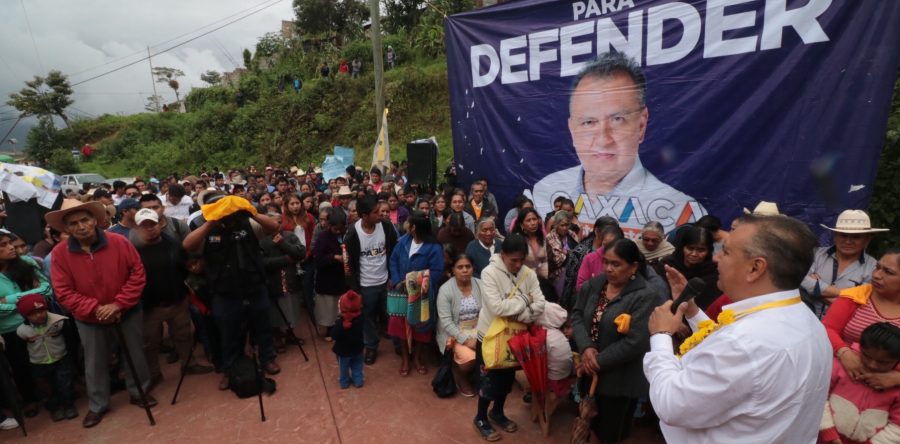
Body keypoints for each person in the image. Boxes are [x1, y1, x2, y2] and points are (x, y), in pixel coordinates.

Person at [644, 214, 830, 443]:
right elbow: (733, 356)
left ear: (755, 268)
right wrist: (692, 311)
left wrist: (661, 335)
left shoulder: (744, 343)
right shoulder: (807, 321)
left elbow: (671, 404)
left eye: (727, 251)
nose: (716, 258)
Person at [525, 52, 704, 234]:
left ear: (641, 125)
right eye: (588, 122)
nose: (603, 139)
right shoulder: (545, 191)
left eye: (618, 119)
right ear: (572, 130)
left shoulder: (682, 213)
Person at [47, 199, 154, 428]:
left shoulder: (119, 242)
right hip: (89, 318)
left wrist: (118, 304)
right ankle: (98, 404)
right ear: (66, 229)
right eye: (73, 223)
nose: (81, 226)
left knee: (135, 353)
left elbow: (137, 274)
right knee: (94, 362)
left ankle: (139, 392)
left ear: (95, 220)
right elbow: (63, 291)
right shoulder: (60, 253)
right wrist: (95, 309)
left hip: (127, 311)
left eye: (85, 219)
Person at [182, 194, 283, 391]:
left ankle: (268, 358)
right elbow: (187, 245)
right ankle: (230, 369)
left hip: (253, 285)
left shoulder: (247, 223)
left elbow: (273, 227)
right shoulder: (205, 227)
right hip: (224, 291)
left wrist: (251, 212)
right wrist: (212, 221)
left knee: (262, 325)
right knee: (229, 333)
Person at [570, 238, 665, 442]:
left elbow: (636, 341)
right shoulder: (594, 285)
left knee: (611, 430)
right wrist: (586, 348)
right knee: (589, 418)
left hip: (620, 378)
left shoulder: (646, 296)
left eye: (616, 264)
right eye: (606, 262)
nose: (608, 269)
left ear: (633, 267)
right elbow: (577, 315)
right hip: (591, 372)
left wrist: (597, 361)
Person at [473, 234, 546, 441]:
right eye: (514, 260)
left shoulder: (528, 274)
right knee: (489, 380)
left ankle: (497, 412)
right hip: (490, 336)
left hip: (515, 336)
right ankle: (480, 417)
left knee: (506, 379)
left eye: (522, 259)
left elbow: (540, 303)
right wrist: (524, 299)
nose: (518, 264)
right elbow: (496, 308)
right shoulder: (489, 273)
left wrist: (515, 311)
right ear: (502, 254)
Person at [132, 209, 212, 388]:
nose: (150, 229)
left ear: (160, 224)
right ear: (137, 228)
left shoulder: (173, 244)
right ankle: (154, 373)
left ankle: (189, 364)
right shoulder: (131, 249)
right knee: (150, 343)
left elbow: (185, 264)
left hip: (177, 300)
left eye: (153, 224)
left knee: (184, 335)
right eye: (145, 226)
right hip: (150, 306)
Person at [822, 248, 900, 391]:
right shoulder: (857, 296)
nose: (877, 275)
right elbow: (827, 328)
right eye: (877, 267)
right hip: (840, 379)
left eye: (888, 272)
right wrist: (844, 353)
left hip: (890, 397)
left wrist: (896, 378)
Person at [0, 230, 53, 419]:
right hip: (9, 330)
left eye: (9, 243)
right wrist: (30, 299)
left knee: (49, 358)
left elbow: (46, 290)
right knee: (20, 366)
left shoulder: (27, 263)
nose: (11, 247)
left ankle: (57, 394)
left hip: (38, 321)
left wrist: (10, 300)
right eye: (3, 245)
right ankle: (30, 399)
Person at [820, 322, 900, 444]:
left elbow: (897, 426)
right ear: (861, 348)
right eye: (866, 356)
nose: (872, 364)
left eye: (883, 362)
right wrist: (828, 432)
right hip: (822, 437)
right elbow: (818, 399)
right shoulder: (839, 367)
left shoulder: (895, 387)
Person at [802, 209, 887, 318]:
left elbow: (861, 307)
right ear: (835, 236)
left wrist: (817, 290)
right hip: (807, 322)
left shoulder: (874, 268)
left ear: (867, 239)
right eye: (843, 235)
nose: (848, 241)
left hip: (842, 331)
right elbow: (800, 280)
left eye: (856, 237)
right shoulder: (816, 254)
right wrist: (850, 294)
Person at [344, 196, 398, 365]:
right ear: (364, 216)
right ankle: (371, 347)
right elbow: (349, 264)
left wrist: (392, 276)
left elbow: (394, 252)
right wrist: (355, 289)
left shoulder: (387, 227)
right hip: (365, 285)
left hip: (385, 282)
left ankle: (398, 344)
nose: (379, 215)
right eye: (375, 212)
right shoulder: (352, 233)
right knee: (367, 318)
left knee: (392, 314)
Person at [388, 211, 443, 376]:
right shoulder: (403, 241)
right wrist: (398, 281)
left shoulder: (434, 247)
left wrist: (413, 282)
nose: (407, 226)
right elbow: (393, 261)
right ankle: (405, 358)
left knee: (421, 327)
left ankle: (418, 357)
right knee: (401, 326)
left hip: (421, 295)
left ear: (415, 228)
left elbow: (437, 271)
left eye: (410, 224)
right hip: (401, 292)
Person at [15, 293, 77, 422]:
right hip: (38, 363)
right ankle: (55, 409)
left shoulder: (58, 322)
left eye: (41, 311)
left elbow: (70, 339)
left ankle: (69, 405)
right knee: (46, 389)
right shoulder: (22, 331)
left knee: (65, 383)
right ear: (25, 316)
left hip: (61, 358)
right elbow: (21, 352)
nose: (39, 315)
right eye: (33, 313)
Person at [437, 253, 483, 397]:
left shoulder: (480, 284)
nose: (464, 270)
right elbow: (446, 322)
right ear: (453, 270)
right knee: (470, 359)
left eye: (468, 267)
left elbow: (488, 311)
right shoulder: (445, 290)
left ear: (472, 268)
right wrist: (466, 340)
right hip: (454, 333)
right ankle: (460, 375)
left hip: (479, 329)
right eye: (460, 267)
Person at [258, 211, 305, 352]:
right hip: (273, 282)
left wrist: (283, 244)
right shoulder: (262, 242)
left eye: (278, 222)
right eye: (271, 222)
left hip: (290, 279)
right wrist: (284, 260)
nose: (275, 225)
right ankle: (278, 337)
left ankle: (290, 334)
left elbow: (300, 253)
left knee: (292, 308)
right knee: (274, 312)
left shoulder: (289, 236)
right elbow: (261, 262)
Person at [652, 225, 722, 310]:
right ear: (682, 247)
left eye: (701, 250)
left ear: (709, 251)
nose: (694, 254)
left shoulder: (714, 273)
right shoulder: (667, 265)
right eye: (690, 248)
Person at [561, 217, 619, 309]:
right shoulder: (580, 252)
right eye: (607, 230)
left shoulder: (619, 255)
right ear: (597, 231)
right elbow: (570, 282)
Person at [313, 211, 349, 340]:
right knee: (330, 307)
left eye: (341, 229)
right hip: (328, 278)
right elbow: (317, 257)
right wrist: (334, 257)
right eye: (335, 229)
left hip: (343, 278)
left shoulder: (348, 234)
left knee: (342, 305)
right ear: (329, 226)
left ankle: (343, 328)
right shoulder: (323, 237)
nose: (338, 232)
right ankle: (330, 330)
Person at [576, 224, 625, 293]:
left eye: (611, 245)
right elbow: (580, 286)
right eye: (605, 244)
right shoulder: (590, 258)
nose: (608, 249)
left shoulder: (625, 261)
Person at [332, 290, 365, 389]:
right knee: (357, 366)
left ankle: (344, 382)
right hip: (358, 349)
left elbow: (334, 335)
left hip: (343, 352)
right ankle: (358, 380)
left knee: (344, 368)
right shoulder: (360, 319)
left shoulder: (340, 324)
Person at [546, 211, 578, 300]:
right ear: (556, 225)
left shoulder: (572, 235)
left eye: (567, 225)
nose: (565, 228)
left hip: (572, 273)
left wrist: (566, 253)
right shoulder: (550, 237)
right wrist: (570, 253)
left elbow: (579, 253)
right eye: (562, 225)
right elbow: (557, 259)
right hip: (556, 275)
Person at [511, 208, 548, 280]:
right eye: (528, 220)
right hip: (522, 280)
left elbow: (546, 261)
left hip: (542, 281)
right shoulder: (516, 240)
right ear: (522, 225)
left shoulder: (542, 238)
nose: (533, 223)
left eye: (534, 219)